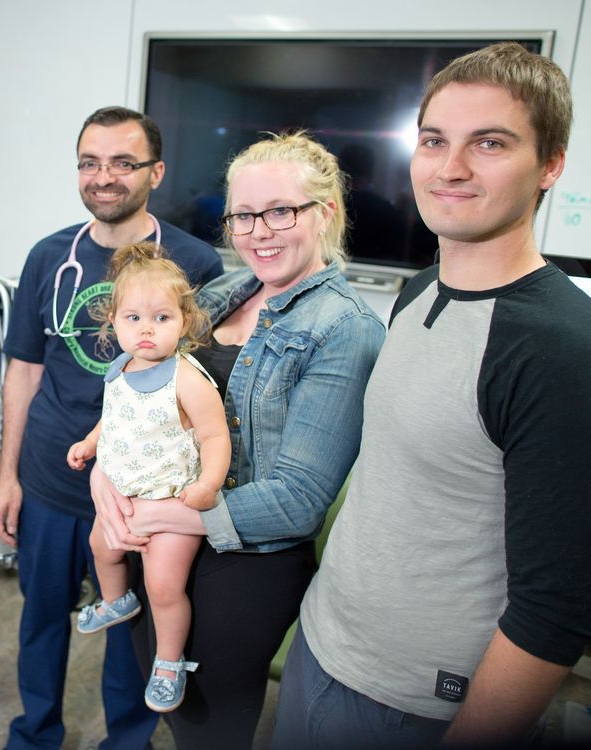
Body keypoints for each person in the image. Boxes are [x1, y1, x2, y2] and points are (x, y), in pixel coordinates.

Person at [272, 42, 591, 750]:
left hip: (418, 706)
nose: (450, 167)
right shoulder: (420, 291)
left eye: (490, 143)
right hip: (323, 648)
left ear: (551, 164)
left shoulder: (560, 349)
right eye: (434, 141)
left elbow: (555, 613)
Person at [90, 131, 386, 748]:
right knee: (170, 706)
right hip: (160, 535)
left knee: (206, 721)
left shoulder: (344, 329)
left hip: (244, 561)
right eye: (245, 215)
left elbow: (298, 499)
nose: (259, 230)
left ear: (325, 213)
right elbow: (142, 402)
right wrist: (106, 494)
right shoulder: (224, 295)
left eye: (281, 210)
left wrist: (151, 514)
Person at [0, 106, 223, 750]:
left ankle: (127, 742)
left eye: (123, 162)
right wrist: (6, 477)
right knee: (40, 623)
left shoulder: (196, 265)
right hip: (50, 481)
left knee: (132, 630)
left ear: (156, 171)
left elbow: (203, 395)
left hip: (145, 496)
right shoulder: (47, 257)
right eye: (90, 162)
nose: (104, 177)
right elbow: (24, 373)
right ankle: (33, 735)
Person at [66, 243, 231, 714]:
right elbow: (113, 417)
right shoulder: (118, 368)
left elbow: (215, 435)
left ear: (184, 321)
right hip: (123, 496)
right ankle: (117, 600)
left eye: (161, 318)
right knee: (101, 548)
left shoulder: (186, 378)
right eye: (133, 318)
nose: (146, 330)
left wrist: (208, 484)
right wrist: (90, 442)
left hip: (172, 506)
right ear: (113, 321)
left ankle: (168, 661)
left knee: (163, 586)